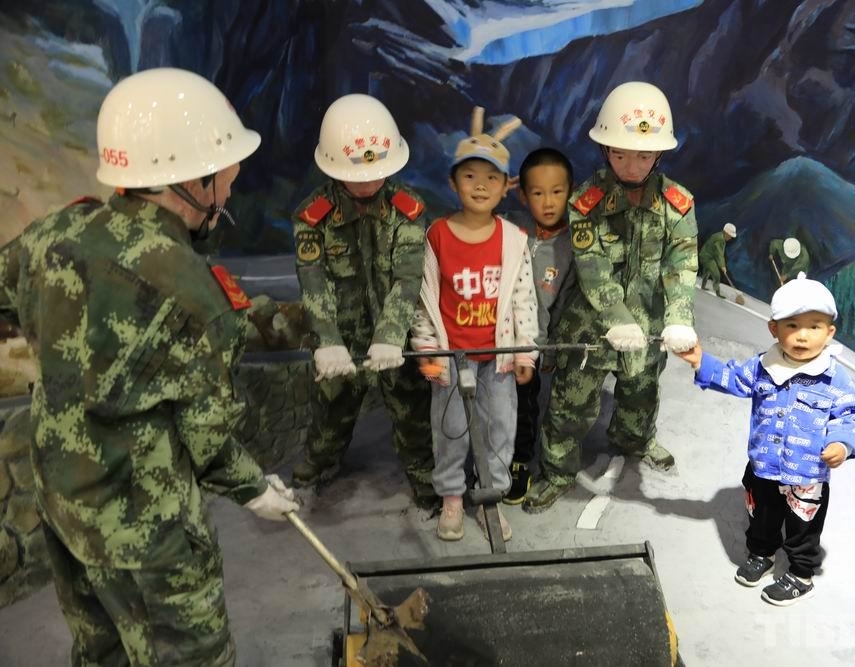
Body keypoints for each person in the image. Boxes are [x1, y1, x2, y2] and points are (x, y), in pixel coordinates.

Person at [0, 68, 300, 665]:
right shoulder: (196, 295)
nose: (229, 194)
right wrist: (255, 488)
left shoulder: (58, 231)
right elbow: (208, 439)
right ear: (192, 179)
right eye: (226, 178)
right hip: (146, 525)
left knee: (101, 650)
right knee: (190, 656)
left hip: (62, 500)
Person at [523, 81, 699, 513]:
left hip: (649, 321)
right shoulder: (586, 202)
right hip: (591, 324)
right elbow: (591, 266)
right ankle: (557, 471)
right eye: (620, 154)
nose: (632, 165)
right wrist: (616, 316)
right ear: (605, 150)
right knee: (571, 403)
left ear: (659, 155)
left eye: (643, 155)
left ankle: (635, 441)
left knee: (641, 391)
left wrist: (679, 317)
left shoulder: (677, 204)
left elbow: (681, 264)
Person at [675, 273, 855, 606]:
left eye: (814, 326)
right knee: (761, 517)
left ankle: (801, 575)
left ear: (829, 332)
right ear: (774, 329)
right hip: (763, 465)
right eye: (792, 326)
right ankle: (761, 554)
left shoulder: (834, 377)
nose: (803, 335)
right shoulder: (763, 366)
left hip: (805, 476)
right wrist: (701, 362)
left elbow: (850, 414)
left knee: (803, 528)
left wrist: (841, 443)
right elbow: (735, 378)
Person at [290, 94, 437, 509]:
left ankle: (424, 476)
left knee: (411, 411)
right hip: (342, 335)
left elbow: (407, 278)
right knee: (330, 411)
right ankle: (317, 467)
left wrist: (390, 335)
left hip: (395, 337)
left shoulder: (408, 211)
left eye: (378, 173)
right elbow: (313, 281)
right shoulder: (312, 217)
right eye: (357, 177)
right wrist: (327, 341)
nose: (369, 184)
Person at [411, 106, 539, 541]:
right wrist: (427, 351)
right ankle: (451, 497)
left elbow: (523, 300)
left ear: (506, 186)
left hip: (498, 358)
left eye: (491, 177)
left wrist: (525, 352)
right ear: (453, 183)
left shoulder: (513, 240)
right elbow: (424, 300)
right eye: (469, 175)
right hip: (452, 357)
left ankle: (490, 498)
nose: (480, 185)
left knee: (499, 428)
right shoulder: (437, 236)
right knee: (450, 429)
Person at [503, 147, 577, 505]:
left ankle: (520, 461)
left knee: (524, 405)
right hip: (493, 337)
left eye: (557, 191)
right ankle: (487, 461)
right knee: (488, 404)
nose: (548, 202)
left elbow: (562, 301)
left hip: (530, 344)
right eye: (537, 192)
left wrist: (546, 346)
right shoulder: (508, 227)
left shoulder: (574, 244)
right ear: (522, 195)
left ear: (570, 192)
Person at [698, 222, 736, 298]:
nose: (730, 238)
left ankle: (703, 286)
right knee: (716, 275)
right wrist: (722, 266)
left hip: (706, 255)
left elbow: (717, 253)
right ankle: (717, 292)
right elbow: (719, 254)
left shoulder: (720, 236)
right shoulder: (720, 239)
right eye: (730, 236)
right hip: (707, 257)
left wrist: (721, 264)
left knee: (707, 271)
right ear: (726, 233)